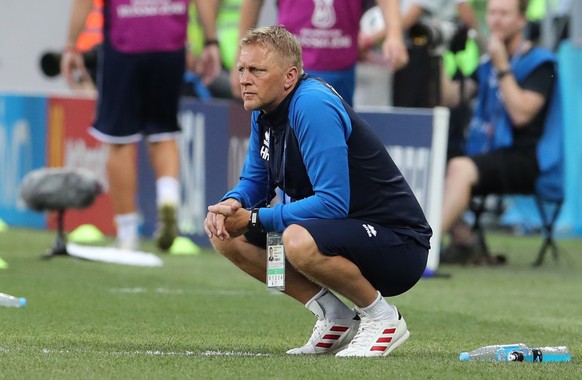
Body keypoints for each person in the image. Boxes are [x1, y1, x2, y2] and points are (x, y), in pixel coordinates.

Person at [204, 26, 431, 357]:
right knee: (225, 233)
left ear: (289, 76)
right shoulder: (264, 109)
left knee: (295, 240)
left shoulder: (311, 104)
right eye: (241, 69)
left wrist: (253, 219)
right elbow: (257, 180)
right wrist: (231, 204)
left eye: (257, 70)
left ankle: (382, 318)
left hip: (398, 244)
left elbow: (332, 203)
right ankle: (334, 314)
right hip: (340, 233)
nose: (244, 79)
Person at [61, 0, 221, 250]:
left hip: (125, 41)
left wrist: (71, 45)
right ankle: (168, 200)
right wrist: (211, 41)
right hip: (170, 42)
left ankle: (127, 235)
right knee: (164, 132)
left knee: (119, 140)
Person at [439, 0, 560, 258]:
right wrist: (437, 52)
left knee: (460, 167)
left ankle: (423, 251)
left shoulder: (540, 63)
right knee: (435, 163)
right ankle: (465, 238)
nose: (496, 20)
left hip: (526, 159)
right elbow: (450, 98)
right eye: (492, 13)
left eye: (505, 14)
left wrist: (503, 65)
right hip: (487, 153)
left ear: (521, 20)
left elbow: (520, 115)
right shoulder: (485, 64)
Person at [228, 0, 409, 106]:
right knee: (286, 148)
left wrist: (394, 34)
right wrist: (242, 56)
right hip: (290, 68)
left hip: (340, 68)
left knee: (334, 146)